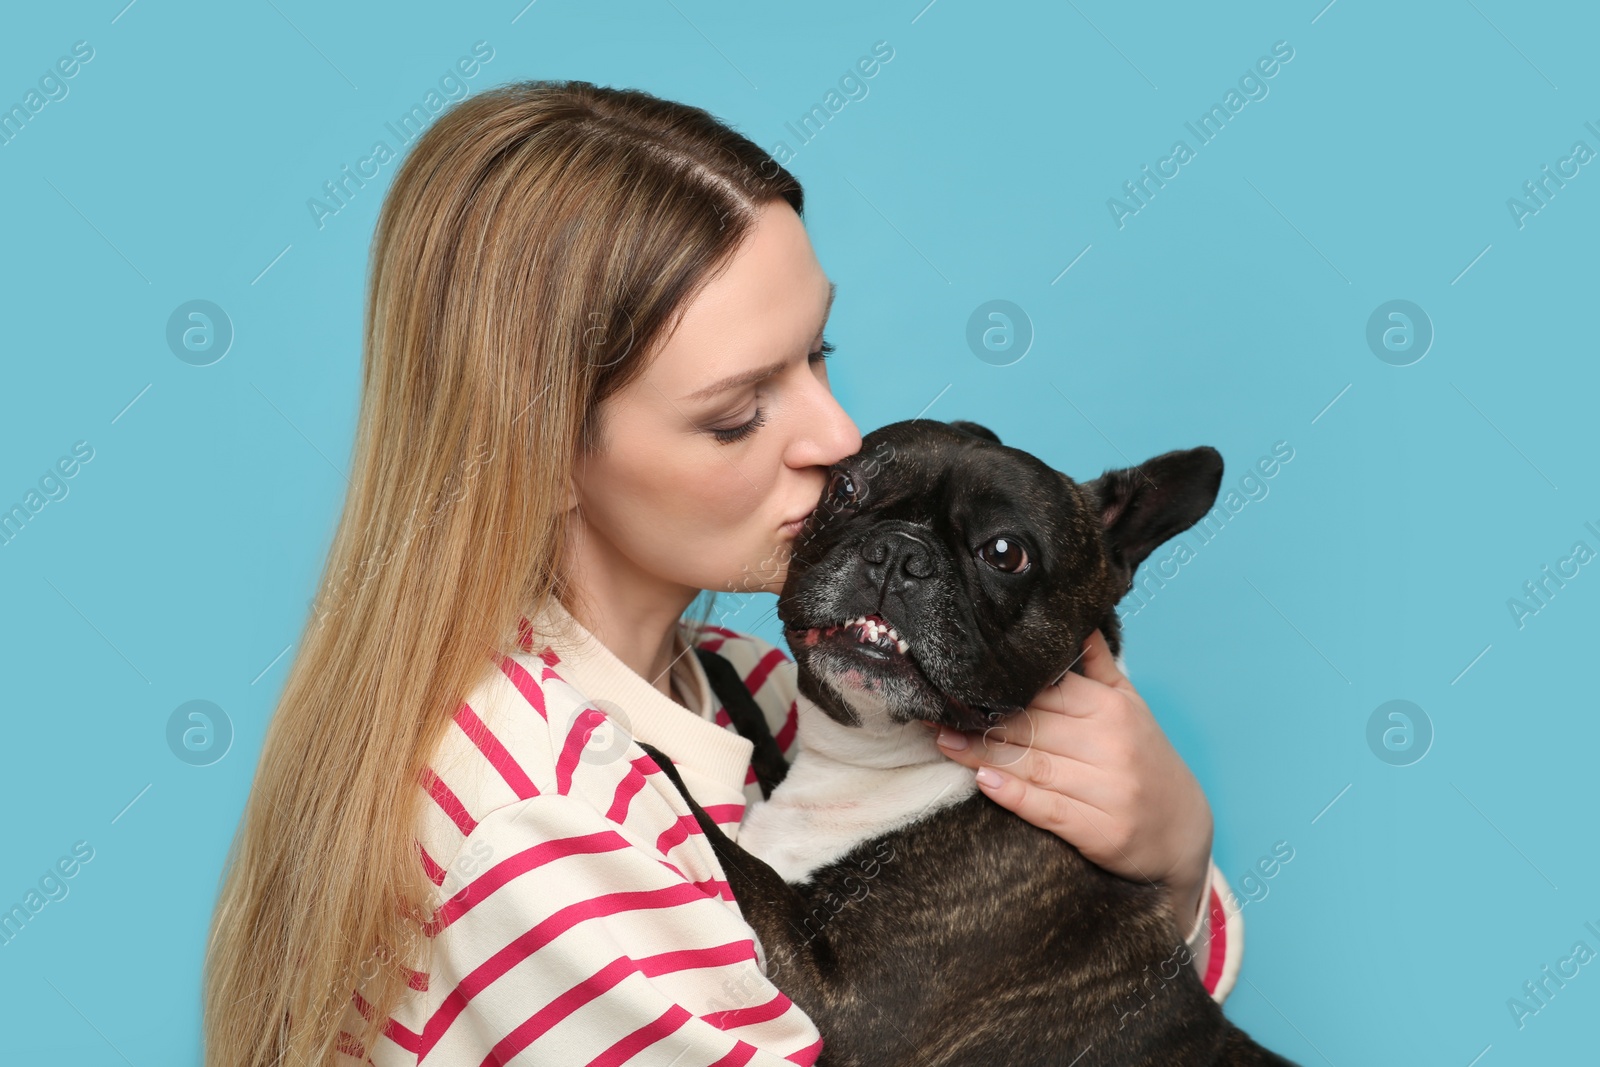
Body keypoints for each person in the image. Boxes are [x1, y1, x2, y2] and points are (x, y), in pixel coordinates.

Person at [201, 79, 1242, 1067]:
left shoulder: (752, 690)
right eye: (738, 412)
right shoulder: (542, 822)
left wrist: (1171, 845)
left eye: (818, 355)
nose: (836, 435)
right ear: (539, 453)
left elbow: (1037, 997)